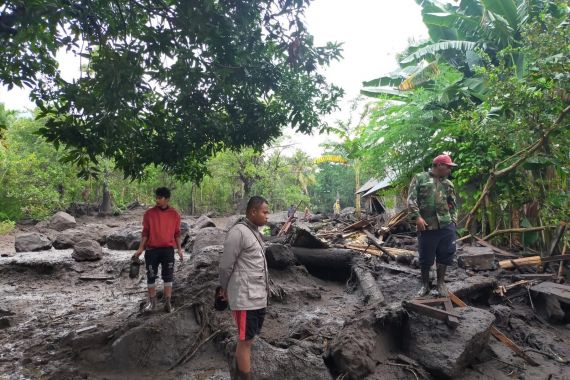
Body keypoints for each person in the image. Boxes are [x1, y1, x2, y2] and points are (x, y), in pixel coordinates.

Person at [219, 196, 270, 380]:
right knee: (245, 341)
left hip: (257, 297)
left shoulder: (254, 232)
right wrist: (223, 288)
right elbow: (225, 265)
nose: (267, 216)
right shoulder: (238, 232)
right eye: (264, 212)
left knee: (249, 339)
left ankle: (240, 373)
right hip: (245, 298)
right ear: (253, 212)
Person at [408, 154, 458, 297]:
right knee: (426, 257)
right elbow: (411, 199)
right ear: (439, 165)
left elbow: (453, 204)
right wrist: (417, 217)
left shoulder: (448, 184)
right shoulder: (420, 178)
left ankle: (441, 283)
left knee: (446, 254)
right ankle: (425, 285)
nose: (449, 170)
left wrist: (453, 220)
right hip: (427, 226)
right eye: (448, 167)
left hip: (446, 226)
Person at [132, 187, 184, 313]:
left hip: (168, 250)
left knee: (168, 277)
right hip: (152, 250)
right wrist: (140, 249)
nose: (157, 200)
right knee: (151, 276)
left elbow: (177, 233)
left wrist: (180, 250)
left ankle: (167, 303)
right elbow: (145, 233)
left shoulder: (174, 214)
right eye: (156, 197)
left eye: (160, 198)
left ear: (167, 199)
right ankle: (152, 303)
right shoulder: (149, 214)